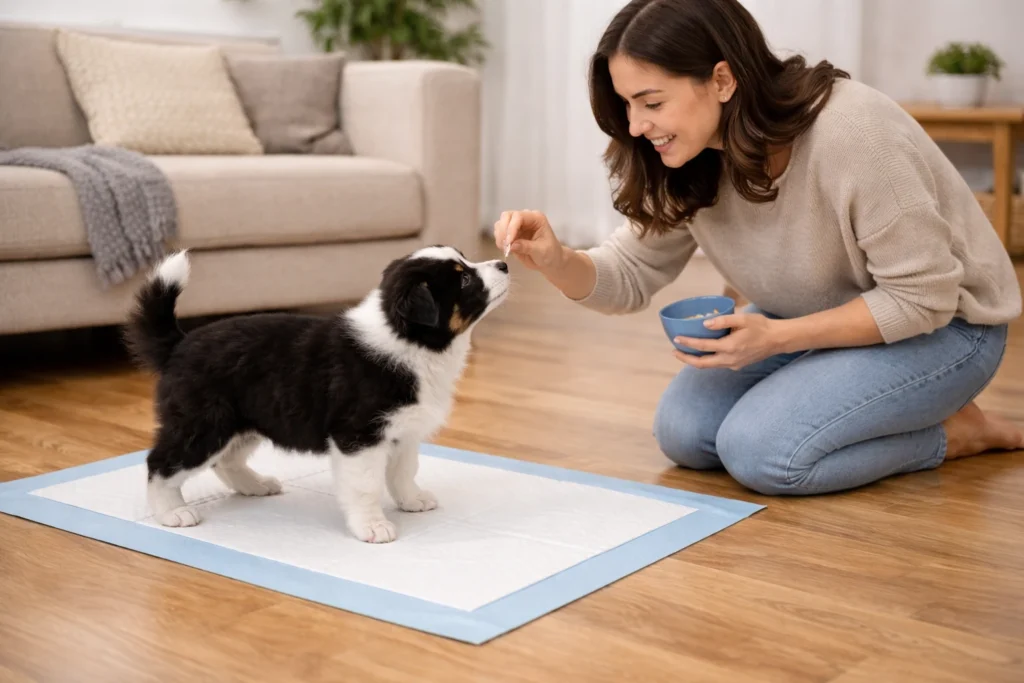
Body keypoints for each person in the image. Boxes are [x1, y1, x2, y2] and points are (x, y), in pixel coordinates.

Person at [492, 0, 1024, 496]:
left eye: (651, 102)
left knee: (763, 453)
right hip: (817, 317)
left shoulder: (852, 132)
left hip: (949, 329)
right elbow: (629, 272)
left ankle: (960, 433)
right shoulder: (693, 156)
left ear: (722, 80)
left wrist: (778, 337)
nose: (635, 126)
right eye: (628, 104)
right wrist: (557, 259)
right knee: (685, 434)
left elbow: (923, 298)